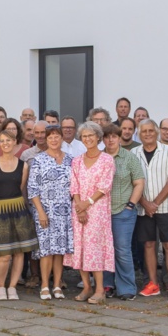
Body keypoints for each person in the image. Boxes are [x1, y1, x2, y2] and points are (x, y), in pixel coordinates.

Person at [0, 130, 39, 300]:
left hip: (18, 209)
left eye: (8, 140)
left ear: (14, 141)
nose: (5, 143)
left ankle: (13, 286)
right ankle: (1, 286)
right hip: (0, 209)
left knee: (19, 252)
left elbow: (22, 188)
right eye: (2, 141)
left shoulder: (23, 165)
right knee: (4, 254)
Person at [133, 118, 168, 299]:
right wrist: (145, 203)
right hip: (143, 208)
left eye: (151, 131)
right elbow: (133, 181)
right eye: (144, 131)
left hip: (166, 207)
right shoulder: (134, 153)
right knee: (148, 244)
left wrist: (155, 203)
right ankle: (153, 283)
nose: (147, 134)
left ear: (157, 132)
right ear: (139, 134)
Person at [68, 122, 115, 304]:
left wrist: (86, 204)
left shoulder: (107, 160)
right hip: (79, 207)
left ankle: (100, 290)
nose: (87, 139)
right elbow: (74, 185)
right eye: (84, 136)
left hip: (97, 210)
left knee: (95, 248)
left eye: (91, 135)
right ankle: (86, 286)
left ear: (98, 137)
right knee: (80, 247)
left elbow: (105, 186)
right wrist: (79, 206)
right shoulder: (77, 161)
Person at [29, 125, 74, 299]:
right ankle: (45, 285)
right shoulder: (38, 160)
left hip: (64, 211)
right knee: (46, 250)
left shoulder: (71, 160)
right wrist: (40, 212)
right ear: (45, 140)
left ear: (62, 138)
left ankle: (57, 285)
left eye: (57, 136)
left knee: (59, 250)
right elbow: (32, 189)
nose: (54, 139)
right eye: (50, 137)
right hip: (45, 211)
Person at [102, 123, 145, 301]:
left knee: (122, 249)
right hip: (102, 212)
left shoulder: (129, 158)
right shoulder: (99, 157)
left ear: (119, 138)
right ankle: (106, 284)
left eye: (114, 136)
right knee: (104, 249)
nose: (110, 139)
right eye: (107, 136)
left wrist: (130, 205)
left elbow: (139, 182)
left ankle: (126, 287)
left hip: (123, 211)